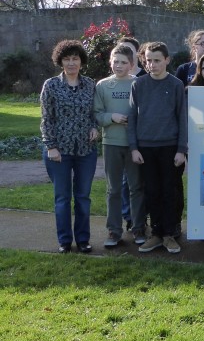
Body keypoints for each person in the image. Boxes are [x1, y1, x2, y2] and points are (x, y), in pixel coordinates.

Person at [128, 42, 188, 254]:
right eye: (148, 61)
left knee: (169, 191)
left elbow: (182, 117)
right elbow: (132, 118)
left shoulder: (176, 85)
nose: (152, 64)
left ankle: (169, 234)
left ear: (167, 60)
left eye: (157, 60)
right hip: (145, 148)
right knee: (152, 191)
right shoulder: (138, 84)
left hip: (170, 147)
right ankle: (156, 233)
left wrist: (181, 149)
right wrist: (134, 148)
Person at [41, 40, 99, 254]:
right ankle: (64, 240)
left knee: (83, 197)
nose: (71, 63)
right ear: (60, 61)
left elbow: (95, 113)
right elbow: (46, 118)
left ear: (81, 61)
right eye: (67, 59)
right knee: (63, 198)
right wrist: (51, 146)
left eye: (75, 58)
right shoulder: (51, 85)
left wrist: (95, 127)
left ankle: (83, 240)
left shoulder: (90, 84)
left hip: (86, 150)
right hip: (59, 151)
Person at [93, 44, 145, 247]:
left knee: (136, 188)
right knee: (113, 189)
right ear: (110, 62)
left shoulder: (138, 83)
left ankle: (138, 228)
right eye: (115, 61)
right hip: (111, 143)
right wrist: (112, 117)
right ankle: (114, 231)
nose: (119, 65)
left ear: (132, 64)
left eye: (124, 62)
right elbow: (97, 114)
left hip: (134, 145)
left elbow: (145, 112)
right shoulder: (103, 85)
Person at [116, 36, 146, 232]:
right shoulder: (114, 78)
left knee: (140, 182)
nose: (125, 54)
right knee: (124, 182)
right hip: (120, 139)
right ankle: (129, 217)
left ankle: (141, 218)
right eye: (121, 50)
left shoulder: (145, 76)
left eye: (129, 51)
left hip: (142, 138)